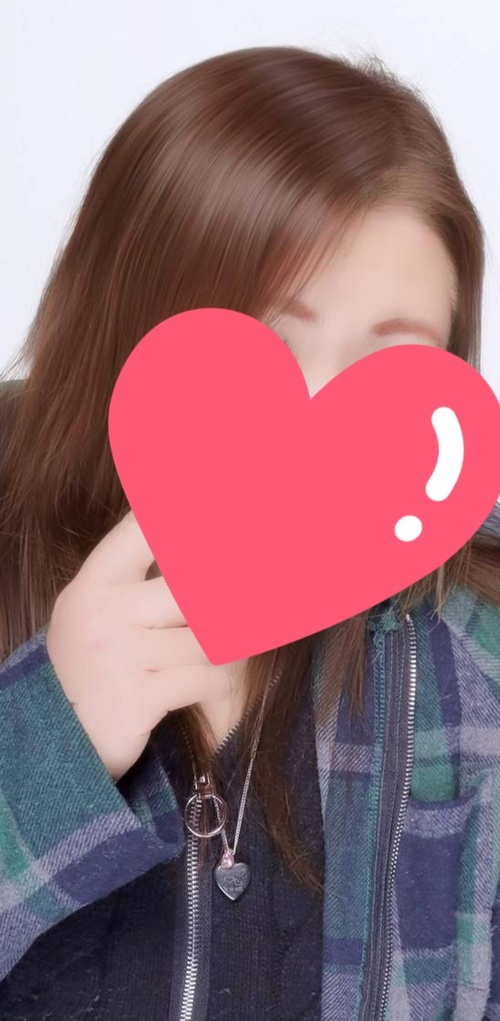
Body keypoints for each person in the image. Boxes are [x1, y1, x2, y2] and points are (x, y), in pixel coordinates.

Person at [0, 44, 499, 1021]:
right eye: (266, 337)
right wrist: (48, 749)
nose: (318, 417)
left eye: (388, 361)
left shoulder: (474, 635)